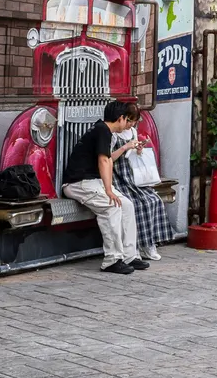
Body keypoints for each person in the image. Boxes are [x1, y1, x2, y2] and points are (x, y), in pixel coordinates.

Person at [60, 100, 147, 274]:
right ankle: (112, 260)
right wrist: (108, 191)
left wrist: (108, 188)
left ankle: (129, 256)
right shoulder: (102, 131)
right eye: (127, 120)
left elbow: (107, 160)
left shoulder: (103, 130)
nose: (127, 124)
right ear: (120, 118)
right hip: (78, 183)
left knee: (127, 205)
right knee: (111, 207)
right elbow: (104, 161)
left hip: (92, 182)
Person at [110, 120, 174, 261]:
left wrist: (138, 150)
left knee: (154, 200)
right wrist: (125, 147)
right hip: (118, 177)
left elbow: (133, 156)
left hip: (133, 176)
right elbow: (108, 158)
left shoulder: (132, 131)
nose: (131, 124)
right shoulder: (114, 134)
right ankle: (135, 246)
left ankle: (149, 243)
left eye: (134, 121)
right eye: (129, 120)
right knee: (136, 205)